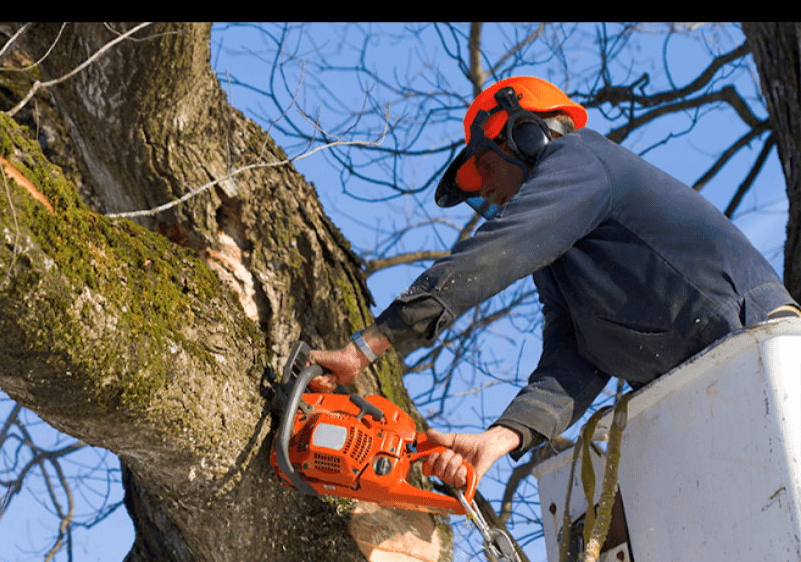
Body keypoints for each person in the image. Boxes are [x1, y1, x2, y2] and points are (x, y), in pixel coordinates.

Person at [308, 76, 799, 491]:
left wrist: (366, 348)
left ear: (526, 136)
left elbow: (497, 252)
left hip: (752, 345)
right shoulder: (560, 258)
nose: (492, 191)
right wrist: (498, 439)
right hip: (700, 391)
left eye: (486, 166)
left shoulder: (582, 160)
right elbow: (574, 359)